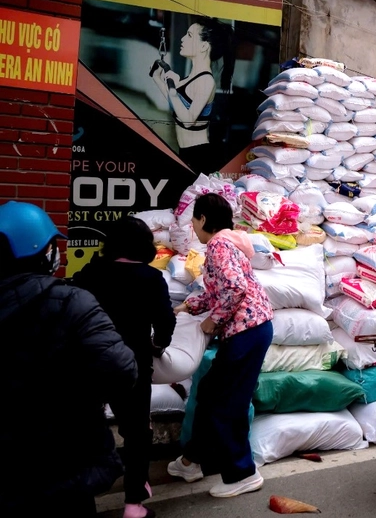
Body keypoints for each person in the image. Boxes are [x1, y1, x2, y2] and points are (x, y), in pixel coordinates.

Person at [0, 202, 137, 516]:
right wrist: (81, 397)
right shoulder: (72, 301)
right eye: (53, 246)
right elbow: (122, 369)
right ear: (43, 251)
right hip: (65, 461)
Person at [168, 194, 273, 498]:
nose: (193, 227)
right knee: (211, 394)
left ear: (203, 219)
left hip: (246, 331)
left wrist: (213, 319)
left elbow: (235, 289)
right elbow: (222, 289)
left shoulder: (217, 246)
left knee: (227, 403)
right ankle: (191, 461)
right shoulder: (231, 243)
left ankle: (243, 473)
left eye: (194, 221)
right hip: (254, 329)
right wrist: (189, 306)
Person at [72, 217, 176, 518]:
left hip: (90, 364)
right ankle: (133, 504)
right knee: (137, 433)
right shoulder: (150, 278)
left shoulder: (90, 273)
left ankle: (83, 496)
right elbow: (165, 323)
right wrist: (158, 346)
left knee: (85, 429)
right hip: (131, 366)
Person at [150, 18, 235, 173]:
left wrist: (173, 91)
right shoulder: (190, 78)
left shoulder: (206, 81)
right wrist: (157, 78)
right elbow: (175, 103)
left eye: (189, 35)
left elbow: (189, 120)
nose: (182, 39)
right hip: (185, 152)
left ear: (203, 46)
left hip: (199, 155)